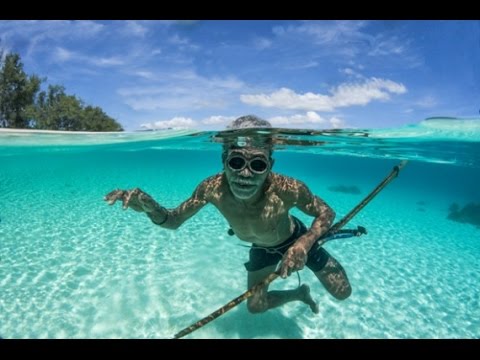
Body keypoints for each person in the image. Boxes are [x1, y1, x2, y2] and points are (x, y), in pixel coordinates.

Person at [104, 115, 351, 314]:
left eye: (257, 165)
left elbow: (325, 212)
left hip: (296, 239)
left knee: (343, 292)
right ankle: (298, 294)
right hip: (260, 248)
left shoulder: (288, 188)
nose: (245, 174)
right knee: (256, 307)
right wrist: (150, 206)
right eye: (236, 163)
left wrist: (304, 244)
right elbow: (172, 221)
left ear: (270, 166)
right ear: (224, 160)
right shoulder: (211, 188)